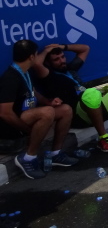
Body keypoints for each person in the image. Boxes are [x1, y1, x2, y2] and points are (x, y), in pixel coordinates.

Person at [31, 43, 108, 153]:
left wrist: (62, 46)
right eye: (56, 59)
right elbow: (36, 63)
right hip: (79, 115)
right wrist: (46, 51)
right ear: (48, 63)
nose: (62, 61)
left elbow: (85, 49)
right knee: (91, 93)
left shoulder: (70, 69)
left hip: (95, 107)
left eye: (62, 57)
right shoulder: (48, 75)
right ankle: (104, 138)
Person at [0, 40, 78, 179]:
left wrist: (49, 101)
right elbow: (5, 113)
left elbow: (34, 93)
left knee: (65, 109)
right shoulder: (10, 77)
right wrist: (27, 130)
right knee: (47, 112)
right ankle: (28, 158)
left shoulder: (25, 73)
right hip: (10, 127)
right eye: (36, 54)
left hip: (25, 117)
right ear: (31, 57)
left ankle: (56, 154)